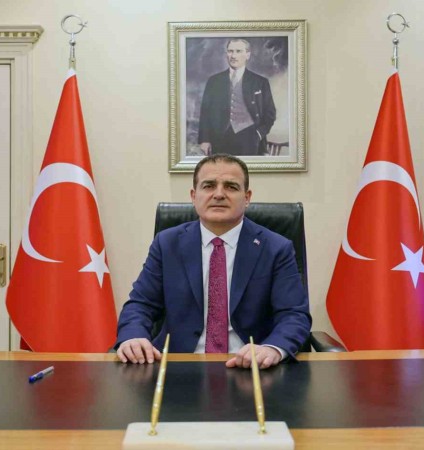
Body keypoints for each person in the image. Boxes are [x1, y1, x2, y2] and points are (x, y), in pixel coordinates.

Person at [115, 154, 311, 369]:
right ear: (193, 196)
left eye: (231, 187)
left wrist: (272, 348)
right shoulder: (167, 243)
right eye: (208, 186)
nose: (219, 194)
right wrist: (133, 337)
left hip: (249, 365)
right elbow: (141, 304)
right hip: (178, 366)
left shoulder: (275, 248)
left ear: (247, 197)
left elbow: (293, 314)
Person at [198, 39, 276, 156]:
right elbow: (205, 112)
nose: (233, 56)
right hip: (219, 138)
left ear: (247, 55)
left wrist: (258, 134)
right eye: (230, 51)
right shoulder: (214, 81)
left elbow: (270, 113)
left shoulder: (260, 82)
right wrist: (204, 140)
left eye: (238, 51)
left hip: (249, 139)